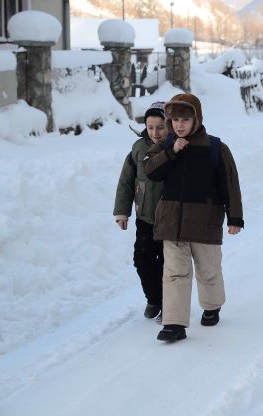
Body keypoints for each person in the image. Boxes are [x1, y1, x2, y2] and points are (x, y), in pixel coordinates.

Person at [143, 93, 244, 342]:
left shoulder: (215, 148)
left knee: (208, 270)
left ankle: (212, 306)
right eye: (174, 119)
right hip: (172, 222)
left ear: (196, 119)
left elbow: (230, 184)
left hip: (205, 221)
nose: (179, 125)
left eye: (185, 119)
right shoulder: (166, 145)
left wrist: (234, 218)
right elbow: (149, 171)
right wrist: (171, 152)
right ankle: (174, 324)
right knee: (175, 273)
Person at [114, 101, 167, 322]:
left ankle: (169, 305)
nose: (155, 132)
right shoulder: (138, 148)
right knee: (142, 259)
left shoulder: (177, 146)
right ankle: (153, 298)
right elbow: (126, 180)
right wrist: (122, 211)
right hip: (145, 215)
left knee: (168, 263)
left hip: (170, 218)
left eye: (160, 127)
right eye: (150, 127)